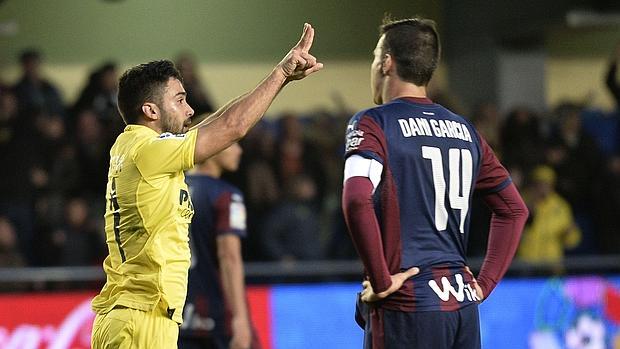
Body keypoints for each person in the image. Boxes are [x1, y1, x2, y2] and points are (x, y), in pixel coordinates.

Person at [90, 23, 322, 349]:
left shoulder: (131, 146)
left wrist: (280, 82)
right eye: (180, 100)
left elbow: (217, 123)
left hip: (128, 316)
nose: (190, 110)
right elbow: (233, 126)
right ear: (150, 110)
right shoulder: (150, 151)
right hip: (142, 321)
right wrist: (280, 74)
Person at [341, 17, 528, 348]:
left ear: (387, 63)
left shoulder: (372, 123)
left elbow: (357, 199)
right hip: (461, 306)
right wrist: (483, 284)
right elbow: (514, 209)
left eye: (374, 58)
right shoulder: (465, 130)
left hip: (408, 303)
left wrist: (382, 280)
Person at [179, 143, 260, 349]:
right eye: (232, 143)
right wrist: (240, 318)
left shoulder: (168, 190)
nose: (239, 150)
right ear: (211, 147)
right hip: (212, 314)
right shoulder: (226, 196)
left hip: (173, 313)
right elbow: (229, 257)